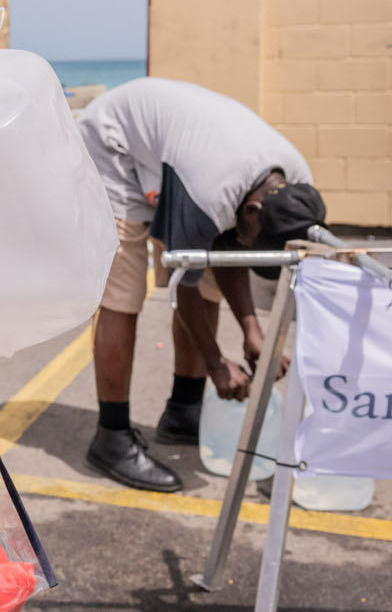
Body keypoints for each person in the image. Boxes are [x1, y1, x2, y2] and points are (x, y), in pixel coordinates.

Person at [78, 77, 326, 492]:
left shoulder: (295, 181)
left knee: (212, 279)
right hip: (113, 146)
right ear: (252, 208)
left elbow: (229, 246)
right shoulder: (210, 193)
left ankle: (183, 411)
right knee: (124, 292)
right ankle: (112, 437)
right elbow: (184, 284)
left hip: (184, 154)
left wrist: (253, 331)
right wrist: (216, 363)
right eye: (256, 234)